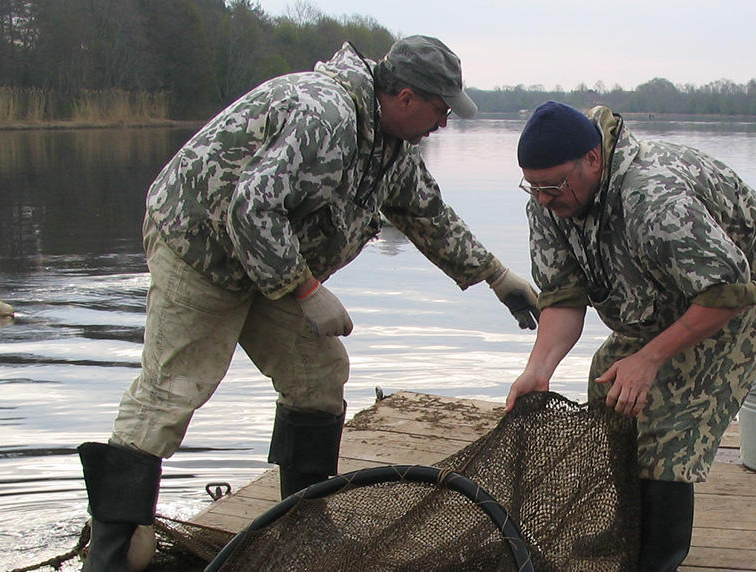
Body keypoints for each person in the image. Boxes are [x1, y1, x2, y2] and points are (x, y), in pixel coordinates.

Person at [77, 36, 541, 572]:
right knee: (173, 392)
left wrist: (496, 275)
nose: (444, 123)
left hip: (274, 263)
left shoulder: (388, 143)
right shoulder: (325, 116)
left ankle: (302, 526)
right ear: (407, 97)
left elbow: (426, 213)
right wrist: (306, 290)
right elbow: (249, 208)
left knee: (319, 375)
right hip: (201, 248)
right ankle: (110, 553)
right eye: (441, 110)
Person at [504, 101, 756, 572]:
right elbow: (563, 296)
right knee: (608, 381)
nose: (542, 198)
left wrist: (651, 358)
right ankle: (626, 529)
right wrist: (538, 370)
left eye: (552, 186)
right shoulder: (549, 203)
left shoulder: (653, 197)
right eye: (532, 186)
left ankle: (657, 558)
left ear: (593, 160)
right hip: (667, 278)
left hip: (743, 278)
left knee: (670, 416)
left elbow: (726, 288)